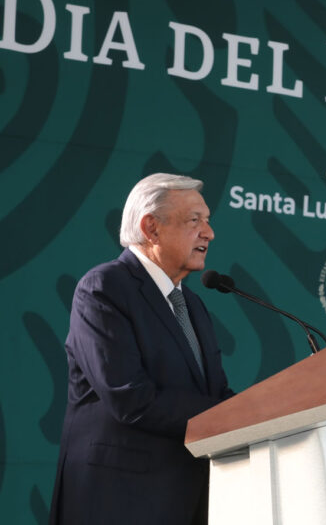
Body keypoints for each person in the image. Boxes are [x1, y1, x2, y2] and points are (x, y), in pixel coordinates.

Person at [50, 173, 234, 525]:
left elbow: (214, 393)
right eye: (195, 220)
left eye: (208, 221)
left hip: (188, 500)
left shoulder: (192, 304)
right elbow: (131, 398)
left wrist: (263, 411)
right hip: (118, 500)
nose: (209, 233)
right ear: (151, 228)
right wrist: (233, 414)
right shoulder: (104, 289)